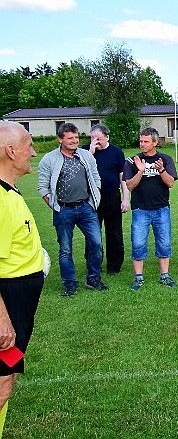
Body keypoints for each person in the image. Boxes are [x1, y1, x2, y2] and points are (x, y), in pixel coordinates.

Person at [0, 122, 45, 437]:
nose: (34, 151)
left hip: (20, 303)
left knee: (7, 377)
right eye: (28, 144)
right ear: (10, 150)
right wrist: (2, 319)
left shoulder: (9, 191)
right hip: (8, 305)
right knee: (1, 382)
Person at [37, 122, 106, 296]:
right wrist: (55, 206)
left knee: (96, 243)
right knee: (65, 249)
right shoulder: (49, 159)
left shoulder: (85, 156)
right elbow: (43, 187)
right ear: (60, 139)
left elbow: (96, 177)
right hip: (63, 210)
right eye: (70, 138)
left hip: (86, 208)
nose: (74, 141)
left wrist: (95, 194)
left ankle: (93, 279)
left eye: (76, 137)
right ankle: (69, 283)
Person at [124, 128, 178, 290]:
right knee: (138, 243)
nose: (142, 144)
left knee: (164, 242)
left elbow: (170, 183)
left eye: (146, 141)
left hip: (161, 208)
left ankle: (165, 275)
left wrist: (160, 169)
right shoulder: (132, 161)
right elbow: (129, 186)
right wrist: (140, 171)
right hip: (140, 209)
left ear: (155, 142)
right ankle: (138, 277)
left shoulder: (165, 159)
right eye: (141, 141)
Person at [82, 123, 129, 274]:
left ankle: (114, 266)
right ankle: (93, 263)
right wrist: (91, 152)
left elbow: (123, 177)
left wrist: (125, 199)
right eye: (92, 138)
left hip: (111, 197)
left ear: (107, 137)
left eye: (99, 138)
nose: (95, 141)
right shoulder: (84, 151)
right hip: (91, 198)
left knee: (114, 233)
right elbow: (81, 171)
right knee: (92, 233)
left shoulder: (116, 152)